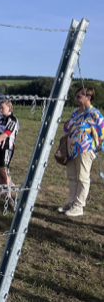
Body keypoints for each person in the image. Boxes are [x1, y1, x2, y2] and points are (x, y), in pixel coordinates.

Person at [58, 87, 104, 217]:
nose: (76, 99)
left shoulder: (95, 114)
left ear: (88, 98)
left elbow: (102, 131)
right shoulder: (75, 112)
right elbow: (67, 126)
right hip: (71, 149)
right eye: (76, 96)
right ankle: (71, 202)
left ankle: (79, 206)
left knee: (82, 177)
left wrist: (97, 149)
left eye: (79, 96)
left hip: (86, 149)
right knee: (72, 176)